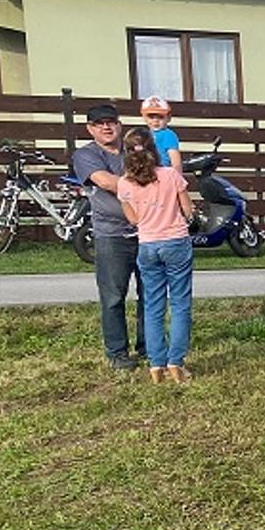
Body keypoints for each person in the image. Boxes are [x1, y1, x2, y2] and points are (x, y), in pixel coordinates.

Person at [72, 103, 147, 370]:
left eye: (111, 121)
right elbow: (106, 182)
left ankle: (149, 347)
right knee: (113, 297)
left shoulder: (134, 149)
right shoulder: (85, 155)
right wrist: (146, 187)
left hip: (147, 231)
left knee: (150, 294)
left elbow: (159, 172)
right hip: (111, 235)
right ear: (90, 128)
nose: (106, 127)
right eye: (99, 123)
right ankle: (117, 353)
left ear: (119, 124)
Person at [116, 130, 195, 384]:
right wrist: (187, 217)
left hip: (147, 244)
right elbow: (187, 209)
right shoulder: (170, 175)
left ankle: (156, 364)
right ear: (154, 149)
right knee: (180, 302)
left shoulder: (124, 183)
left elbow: (133, 219)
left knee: (152, 305)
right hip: (175, 240)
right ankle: (176, 362)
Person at [140, 96, 181, 172]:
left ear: (168, 118)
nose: (156, 120)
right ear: (144, 118)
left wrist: (177, 176)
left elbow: (175, 161)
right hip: (147, 172)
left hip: (163, 171)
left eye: (160, 117)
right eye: (151, 117)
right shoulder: (145, 135)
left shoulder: (168, 135)